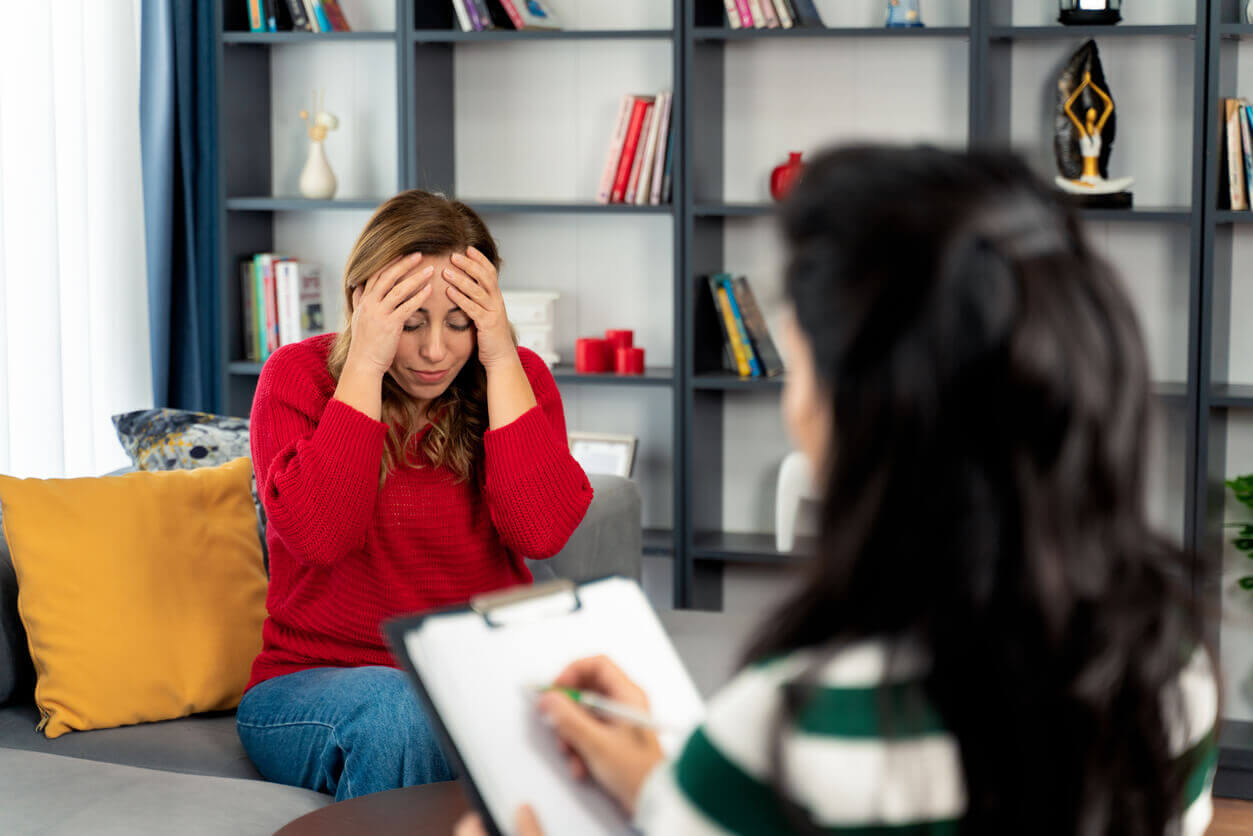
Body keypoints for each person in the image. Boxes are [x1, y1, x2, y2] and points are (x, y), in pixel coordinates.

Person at [457, 146, 1218, 835]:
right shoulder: (1165, 668)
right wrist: (663, 785)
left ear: (862, 408)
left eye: (800, 366)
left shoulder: (793, 734)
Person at [236, 190, 593, 801]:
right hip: (316, 682)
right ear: (364, 303)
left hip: (474, 674)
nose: (435, 351)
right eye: (409, 324)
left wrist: (502, 354)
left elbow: (541, 531)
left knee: (603, 721)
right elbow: (322, 537)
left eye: (460, 323)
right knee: (403, 711)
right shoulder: (296, 377)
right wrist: (366, 365)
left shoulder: (516, 376)